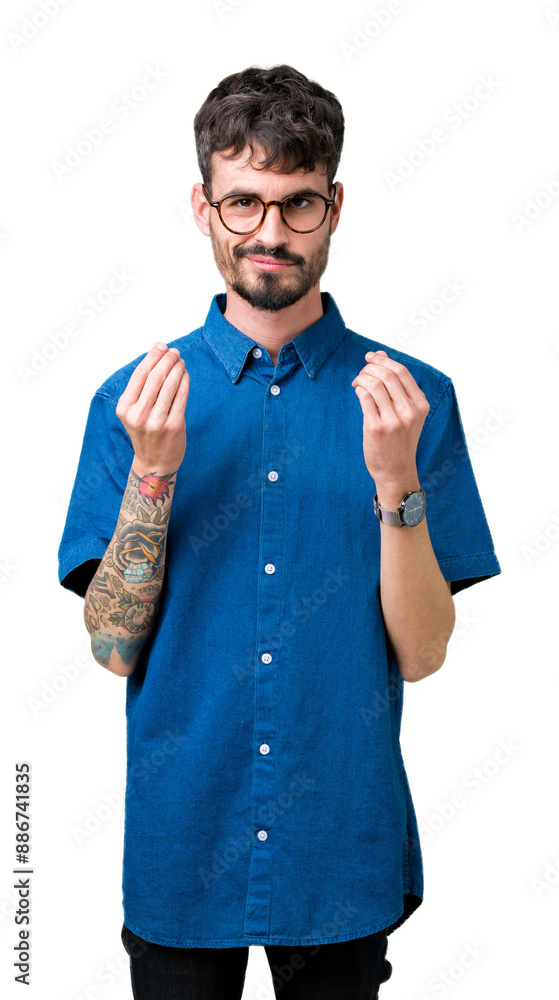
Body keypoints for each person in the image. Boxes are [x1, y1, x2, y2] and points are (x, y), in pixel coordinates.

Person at [58, 64, 502, 999]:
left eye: (297, 204)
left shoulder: (413, 402)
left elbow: (421, 653)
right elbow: (109, 644)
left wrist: (394, 482)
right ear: (202, 205)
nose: (269, 233)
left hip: (342, 846)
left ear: (335, 205)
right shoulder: (129, 402)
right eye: (244, 203)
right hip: (184, 846)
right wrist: (154, 471)